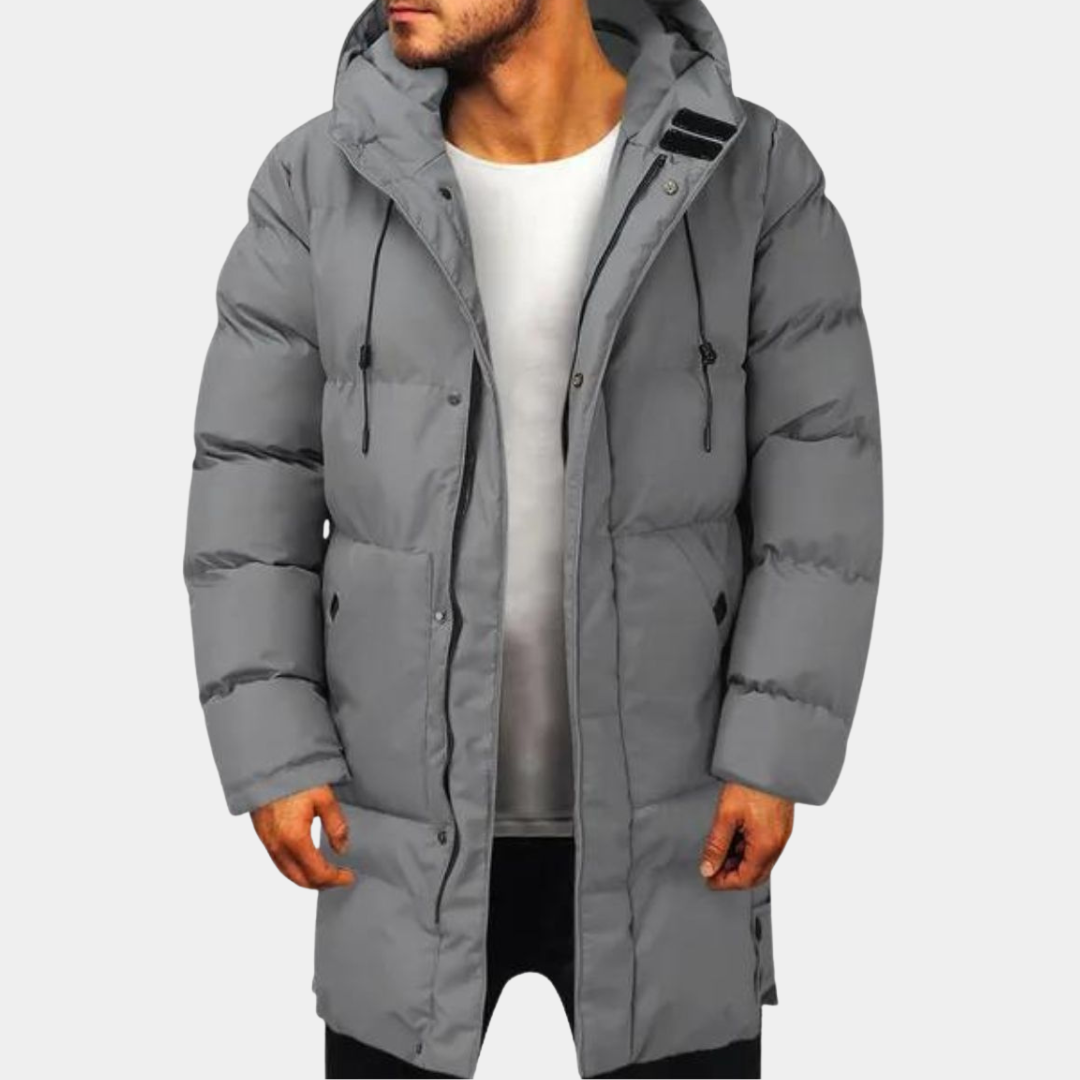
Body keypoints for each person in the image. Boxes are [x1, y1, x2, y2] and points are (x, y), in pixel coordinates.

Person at [182, 0, 883, 1076]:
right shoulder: (319, 180)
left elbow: (820, 483)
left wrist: (773, 754)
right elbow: (252, 481)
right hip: (398, 824)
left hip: (674, 824)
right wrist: (273, 746)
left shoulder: (750, 175)